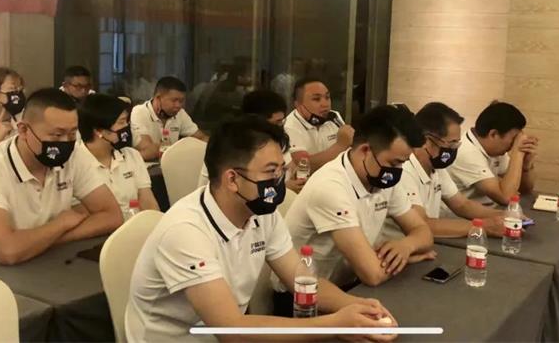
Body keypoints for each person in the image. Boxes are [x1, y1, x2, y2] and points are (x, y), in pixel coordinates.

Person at [126, 115, 397, 342]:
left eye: (281, 171)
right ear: (232, 179)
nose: (279, 181)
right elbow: (231, 330)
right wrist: (334, 324)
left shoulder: (261, 213)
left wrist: (358, 307)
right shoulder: (186, 231)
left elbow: (303, 282)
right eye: (270, 172)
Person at [0, 88, 123, 272]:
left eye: (72, 133)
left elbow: (112, 216)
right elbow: (6, 251)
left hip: (39, 262)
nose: (65, 142)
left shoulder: (74, 155)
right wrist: (61, 224)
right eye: (56, 134)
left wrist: (47, 239)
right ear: (23, 130)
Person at [275, 104, 434, 313]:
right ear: (365, 151)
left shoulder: (383, 178)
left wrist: (406, 246)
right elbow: (372, 274)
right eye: (394, 163)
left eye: (402, 164)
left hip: (353, 286)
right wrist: (411, 258)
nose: (397, 171)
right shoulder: (331, 187)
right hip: (303, 298)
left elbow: (423, 232)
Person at [381, 102, 506, 241]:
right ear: (427, 141)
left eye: (457, 144)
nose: (454, 150)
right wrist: (483, 226)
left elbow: (462, 204)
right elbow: (423, 224)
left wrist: (504, 216)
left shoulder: (435, 167)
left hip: (424, 244)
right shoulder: (404, 170)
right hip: (398, 246)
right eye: (451, 144)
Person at [197, 89, 308, 192]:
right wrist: (284, 189)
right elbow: (243, 192)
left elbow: (291, 168)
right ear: (257, 121)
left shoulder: (275, 142)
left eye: (282, 122)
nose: (281, 128)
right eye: (277, 122)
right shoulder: (230, 146)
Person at [78, 94, 159, 215]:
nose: (126, 127)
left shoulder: (131, 155)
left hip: (136, 223)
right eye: (121, 122)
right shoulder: (76, 164)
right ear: (99, 131)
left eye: (127, 121)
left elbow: (148, 203)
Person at [447, 101, 538, 206]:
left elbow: (525, 190)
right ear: (493, 134)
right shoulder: (466, 152)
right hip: (466, 215)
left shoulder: (495, 149)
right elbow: (506, 198)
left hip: (489, 211)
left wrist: (526, 167)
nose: (513, 144)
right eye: (514, 139)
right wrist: (518, 153)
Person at [283, 78, 354, 173]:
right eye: (316, 99)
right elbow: (301, 167)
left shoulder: (334, 116)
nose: (325, 104)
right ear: (298, 104)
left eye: (327, 97)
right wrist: (340, 146)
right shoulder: (289, 126)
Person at [130, 76, 207, 161]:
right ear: (158, 98)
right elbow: (148, 150)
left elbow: (202, 138)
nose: (178, 105)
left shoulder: (180, 113)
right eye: (174, 100)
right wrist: (182, 148)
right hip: (146, 166)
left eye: (181, 101)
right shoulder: (139, 112)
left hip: (171, 163)